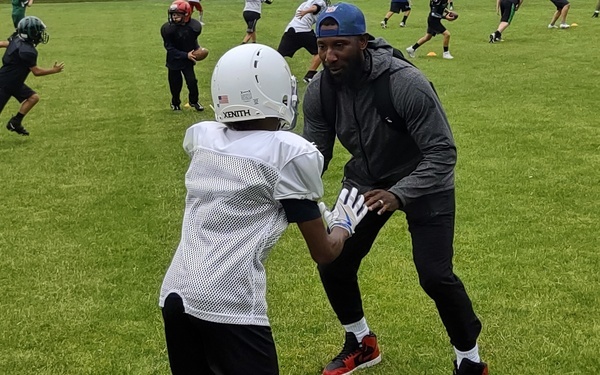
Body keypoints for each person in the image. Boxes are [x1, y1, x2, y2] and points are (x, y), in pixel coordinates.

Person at [158, 43, 368, 375]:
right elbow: (324, 253)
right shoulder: (284, 154)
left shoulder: (205, 140)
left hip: (176, 293)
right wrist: (343, 225)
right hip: (229, 302)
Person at [302, 3, 488, 375]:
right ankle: (362, 343)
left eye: (340, 45)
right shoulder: (321, 90)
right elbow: (314, 156)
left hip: (424, 178)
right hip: (365, 181)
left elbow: (442, 152)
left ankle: (470, 361)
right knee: (332, 259)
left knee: (435, 275)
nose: (329, 56)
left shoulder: (404, 82)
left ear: (363, 43)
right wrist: (289, 186)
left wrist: (399, 193)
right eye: (323, 47)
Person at [0, 16, 64, 137]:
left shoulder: (17, 38)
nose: (40, 34)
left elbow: (4, 43)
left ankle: (15, 122)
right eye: (38, 32)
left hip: (14, 82)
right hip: (4, 84)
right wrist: (54, 70)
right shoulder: (28, 51)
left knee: (33, 98)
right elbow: (36, 71)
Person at [160, 0, 207, 112]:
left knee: (192, 81)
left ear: (186, 15)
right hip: (174, 60)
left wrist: (197, 49)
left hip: (188, 59)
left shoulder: (193, 26)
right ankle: (175, 102)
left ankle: (194, 101)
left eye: (177, 15)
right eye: (173, 14)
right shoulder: (168, 29)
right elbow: (169, 48)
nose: (174, 17)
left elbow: (192, 40)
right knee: (175, 84)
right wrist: (185, 55)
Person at [277, 0, 329, 83]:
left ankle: (278, 75)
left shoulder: (305, 3)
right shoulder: (320, 1)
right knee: (321, 50)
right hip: (303, 30)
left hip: (290, 30)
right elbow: (315, 7)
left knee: (278, 56)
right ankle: (310, 75)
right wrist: (306, 11)